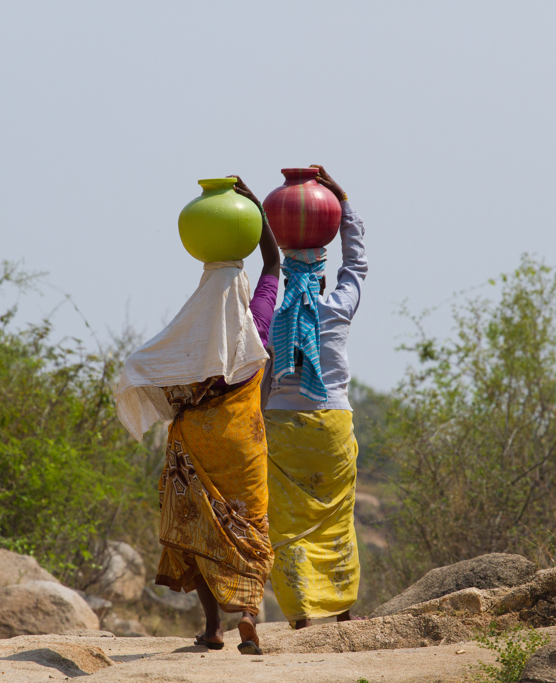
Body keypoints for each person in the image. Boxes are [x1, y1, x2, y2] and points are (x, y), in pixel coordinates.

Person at [115, 176, 280, 654]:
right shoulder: (258, 324)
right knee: (249, 529)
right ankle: (249, 614)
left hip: (195, 446)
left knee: (197, 529)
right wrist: (255, 210)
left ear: (204, 289)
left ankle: (212, 629)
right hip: (244, 444)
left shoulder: (187, 339)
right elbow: (273, 262)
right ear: (243, 289)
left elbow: (140, 366)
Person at [264, 165, 368, 629]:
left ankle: (301, 616)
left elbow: (265, 271)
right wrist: (342, 201)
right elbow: (358, 264)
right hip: (331, 424)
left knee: (287, 525)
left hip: (282, 427)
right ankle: (343, 610)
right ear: (323, 278)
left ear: (287, 277)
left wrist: (256, 216)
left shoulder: (270, 318)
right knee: (336, 518)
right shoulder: (339, 306)